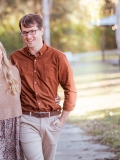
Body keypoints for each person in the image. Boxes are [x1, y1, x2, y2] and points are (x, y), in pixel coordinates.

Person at [9, 14, 77, 160]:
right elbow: (5, 87)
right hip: (27, 120)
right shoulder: (14, 58)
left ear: (41, 30)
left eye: (32, 31)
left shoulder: (58, 57)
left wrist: (62, 120)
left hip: (52, 121)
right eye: (25, 32)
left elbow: (70, 88)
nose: (28, 36)